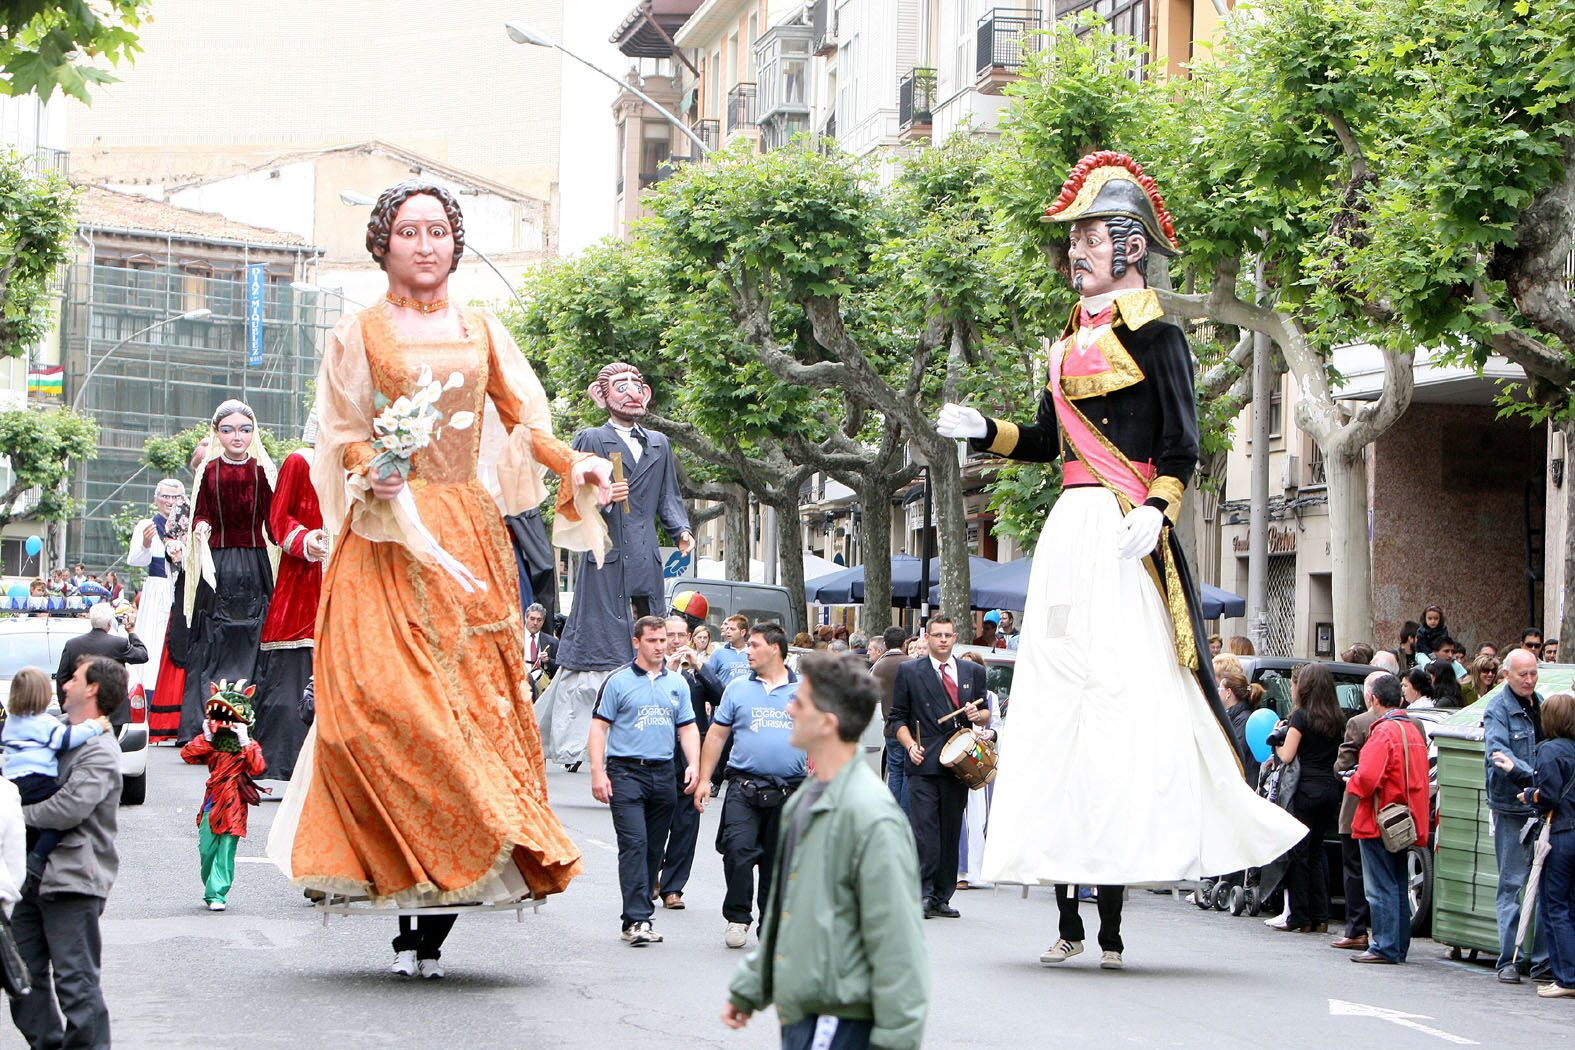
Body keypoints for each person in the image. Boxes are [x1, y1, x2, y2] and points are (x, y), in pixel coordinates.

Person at [936, 150, 1303, 966]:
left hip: (1124, 528)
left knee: (1128, 699)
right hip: (1069, 528)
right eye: (1073, 240)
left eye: (1090, 237)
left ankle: (1114, 895)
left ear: (1130, 247)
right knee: (1059, 694)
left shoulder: (1159, 333)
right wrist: (985, 433)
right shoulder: (1064, 342)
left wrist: (1154, 510)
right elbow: (1041, 441)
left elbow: (1182, 444)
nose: (1076, 253)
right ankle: (1066, 899)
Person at [267, 181, 613, 975]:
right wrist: (372, 469)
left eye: (438, 232)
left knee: (468, 719)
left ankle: (438, 908)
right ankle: (388, 865)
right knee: (374, 715)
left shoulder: (483, 328)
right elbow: (343, 427)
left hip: (465, 531)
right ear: (382, 244)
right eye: (409, 232)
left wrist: (575, 463)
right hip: (384, 534)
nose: (425, 245)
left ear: (455, 243)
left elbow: (526, 422)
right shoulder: (357, 331)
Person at [721, 652, 928, 1050]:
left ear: (828, 724)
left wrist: (896, 1040)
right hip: (804, 1012)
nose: (787, 708)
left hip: (842, 1019)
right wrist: (750, 988)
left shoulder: (871, 816)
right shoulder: (804, 801)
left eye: (799, 702)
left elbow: (898, 941)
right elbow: (789, 911)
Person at [538, 361, 694, 769]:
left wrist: (681, 529)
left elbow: (669, 499)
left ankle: (651, 724)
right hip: (603, 551)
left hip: (644, 552)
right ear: (601, 395)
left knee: (649, 628)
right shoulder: (591, 437)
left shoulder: (659, 443)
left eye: (637, 385)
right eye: (621, 386)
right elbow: (568, 492)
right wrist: (600, 498)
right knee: (601, 633)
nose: (632, 393)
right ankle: (588, 737)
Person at [10, 656, 124, 1048]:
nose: (64, 683)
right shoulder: (52, 730)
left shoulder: (101, 750)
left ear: (92, 688)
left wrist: (14, 813)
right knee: (21, 978)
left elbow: (68, 809)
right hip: (25, 877)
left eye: (73, 678)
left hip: (72, 880)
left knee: (76, 985)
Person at [588, 616, 699, 946]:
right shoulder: (619, 681)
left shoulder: (676, 683)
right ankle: (636, 919)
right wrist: (598, 771)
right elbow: (599, 726)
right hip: (626, 771)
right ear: (637, 642)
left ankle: (640, 912)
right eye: (652, 640)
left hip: (663, 772)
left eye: (663, 640)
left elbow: (688, 727)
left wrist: (692, 763)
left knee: (653, 847)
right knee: (634, 844)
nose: (660, 646)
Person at [696, 622, 806, 948]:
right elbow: (717, 735)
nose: (748, 651)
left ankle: (770, 924)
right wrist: (704, 780)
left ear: (775, 648)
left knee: (777, 862)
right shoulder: (738, 689)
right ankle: (737, 917)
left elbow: (823, 737)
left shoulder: (803, 691)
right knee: (738, 851)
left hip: (790, 789)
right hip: (744, 786)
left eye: (755, 645)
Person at [177, 399, 276, 745]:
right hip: (216, 564)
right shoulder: (209, 471)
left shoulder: (261, 472)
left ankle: (249, 718)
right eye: (229, 429)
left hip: (253, 563)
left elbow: (272, 522)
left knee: (255, 637)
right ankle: (209, 719)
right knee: (213, 638)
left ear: (253, 434)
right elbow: (201, 513)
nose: (238, 436)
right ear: (218, 433)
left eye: (245, 430)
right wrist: (202, 527)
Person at [889, 617, 989, 920]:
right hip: (924, 759)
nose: (943, 640)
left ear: (955, 638)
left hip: (959, 760)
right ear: (927, 638)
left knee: (950, 829)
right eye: (937, 635)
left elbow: (985, 715)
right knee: (925, 829)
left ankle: (943, 895)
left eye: (948, 635)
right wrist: (909, 745)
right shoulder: (910, 671)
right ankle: (923, 891)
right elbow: (897, 718)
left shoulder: (973, 671)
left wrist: (977, 713)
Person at [250, 418, 325, 781]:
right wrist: (306, 541)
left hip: (350, 580)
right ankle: (288, 767)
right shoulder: (301, 461)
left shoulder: (366, 464)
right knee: (294, 683)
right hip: (306, 584)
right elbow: (278, 519)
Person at [1490, 691, 1575, 998]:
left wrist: (1530, 796)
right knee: (1571, 905)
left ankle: (1565, 977)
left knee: (1554, 905)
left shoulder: (1549, 750)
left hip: (1561, 832)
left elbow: (1548, 795)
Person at [3, 668, 111, 899]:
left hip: (13, 781)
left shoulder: (11, 721)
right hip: (37, 779)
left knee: (27, 827)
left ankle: (25, 858)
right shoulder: (44, 722)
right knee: (62, 815)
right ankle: (38, 858)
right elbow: (65, 739)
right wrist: (96, 726)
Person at [1345, 673, 1429, 963]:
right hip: (1406, 819)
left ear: (1373, 699)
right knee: (1397, 883)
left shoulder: (1383, 732)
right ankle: (1397, 945)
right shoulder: (1413, 730)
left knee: (1380, 886)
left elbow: (1367, 779)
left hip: (1380, 818)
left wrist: (1351, 781)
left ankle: (1384, 946)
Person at [1484, 647, 1550, 982]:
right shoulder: (1498, 708)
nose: (1529, 680)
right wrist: (1533, 778)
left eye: (1533, 673)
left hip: (1541, 804)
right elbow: (1498, 751)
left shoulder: (1541, 703)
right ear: (1506, 674)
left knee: (1542, 884)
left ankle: (1540, 959)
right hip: (1512, 806)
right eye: (1522, 674)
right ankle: (1508, 960)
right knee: (1512, 883)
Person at [1268, 662, 1345, 934]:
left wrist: (1276, 745)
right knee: (1317, 852)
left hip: (1304, 790)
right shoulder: (1337, 718)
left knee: (1298, 854)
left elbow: (1287, 755)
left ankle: (1300, 916)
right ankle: (1321, 915)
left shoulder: (1300, 717)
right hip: (1329, 789)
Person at [180, 682, 267, 911]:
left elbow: (258, 767)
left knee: (226, 848)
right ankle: (211, 886)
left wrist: (244, 741)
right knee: (207, 849)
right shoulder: (213, 746)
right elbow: (188, 755)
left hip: (234, 803)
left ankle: (217, 893)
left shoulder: (248, 745)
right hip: (212, 801)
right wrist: (207, 737)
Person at [1329, 671, 1398, 952]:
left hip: (1360, 806)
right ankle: (1389, 934)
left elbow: (1342, 765)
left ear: (1371, 697)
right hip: (1397, 811)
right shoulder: (1413, 724)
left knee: (1356, 872)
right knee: (1392, 876)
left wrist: (1348, 773)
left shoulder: (1359, 723)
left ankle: (1357, 929)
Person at [654, 615, 713, 909]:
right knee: (653, 824)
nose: (675, 642)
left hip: (691, 756)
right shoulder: (650, 672)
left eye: (680, 636)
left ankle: (673, 887)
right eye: (670, 636)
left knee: (686, 825)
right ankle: (652, 874)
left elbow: (722, 695)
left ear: (689, 637)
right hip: (657, 757)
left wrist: (698, 666)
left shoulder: (696, 673)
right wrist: (670, 671)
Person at [149, 442, 204, 742]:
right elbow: (172, 542)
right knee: (181, 644)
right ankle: (178, 720)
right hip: (189, 582)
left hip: (226, 578)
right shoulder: (184, 505)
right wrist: (178, 551)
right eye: (198, 465)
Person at [125, 478, 186, 695]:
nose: (170, 502)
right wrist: (146, 543)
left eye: (176, 497)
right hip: (158, 590)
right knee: (153, 640)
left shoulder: (188, 525)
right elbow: (135, 560)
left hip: (183, 590)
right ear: (156, 499)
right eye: (166, 496)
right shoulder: (147, 525)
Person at [956, 650, 1001, 889]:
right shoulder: (952, 693)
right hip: (957, 758)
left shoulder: (989, 697)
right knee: (960, 815)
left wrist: (991, 734)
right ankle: (960, 871)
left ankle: (974, 869)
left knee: (978, 816)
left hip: (979, 759)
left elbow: (997, 727)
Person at [54, 602, 147, 709]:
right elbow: (142, 655)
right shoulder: (119, 644)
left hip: (82, 710)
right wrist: (131, 632)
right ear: (109, 624)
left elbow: (61, 679)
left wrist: (66, 708)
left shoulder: (72, 645)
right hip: (114, 712)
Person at [870, 626, 910, 812]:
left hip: (889, 726)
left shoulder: (878, 667)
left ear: (885, 644)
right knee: (907, 772)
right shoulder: (910, 664)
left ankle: (892, 811)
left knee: (894, 771)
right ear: (904, 644)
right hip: (909, 728)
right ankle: (904, 813)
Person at [523, 602, 558, 689]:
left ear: (543, 621)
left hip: (541, 689)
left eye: (539, 620)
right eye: (532, 618)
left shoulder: (552, 642)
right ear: (525, 618)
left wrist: (548, 661)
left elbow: (560, 667)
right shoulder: (515, 638)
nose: (535, 623)